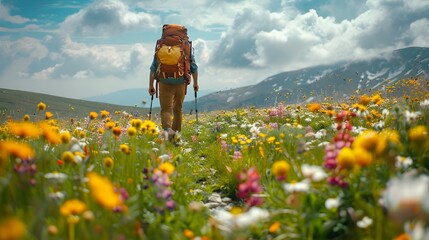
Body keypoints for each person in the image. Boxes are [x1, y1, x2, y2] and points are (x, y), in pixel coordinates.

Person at [148, 46, 198, 138]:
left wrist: (151, 85)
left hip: (164, 81)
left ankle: (167, 131)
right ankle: (176, 135)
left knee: (166, 109)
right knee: (178, 109)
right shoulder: (185, 46)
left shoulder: (161, 45)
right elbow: (194, 67)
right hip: (180, 81)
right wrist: (195, 83)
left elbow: (153, 68)